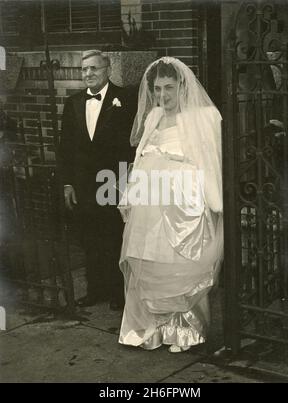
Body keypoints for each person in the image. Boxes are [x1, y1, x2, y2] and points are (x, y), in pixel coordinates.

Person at [118, 57, 224, 352]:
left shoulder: (202, 118)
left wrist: (212, 200)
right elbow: (140, 158)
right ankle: (154, 329)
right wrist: (130, 195)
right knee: (150, 263)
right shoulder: (153, 117)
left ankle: (184, 331)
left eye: (168, 87)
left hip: (183, 205)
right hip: (150, 203)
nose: (162, 95)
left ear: (182, 86)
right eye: (156, 89)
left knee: (180, 266)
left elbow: (210, 163)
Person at [59, 50, 135, 310]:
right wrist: (67, 183)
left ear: (108, 69)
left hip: (114, 182)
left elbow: (132, 146)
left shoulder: (125, 99)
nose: (88, 73)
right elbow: (65, 147)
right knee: (89, 239)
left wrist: (126, 185)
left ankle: (118, 293)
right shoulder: (74, 103)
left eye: (94, 68)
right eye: (84, 70)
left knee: (115, 237)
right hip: (83, 185)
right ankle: (95, 290)